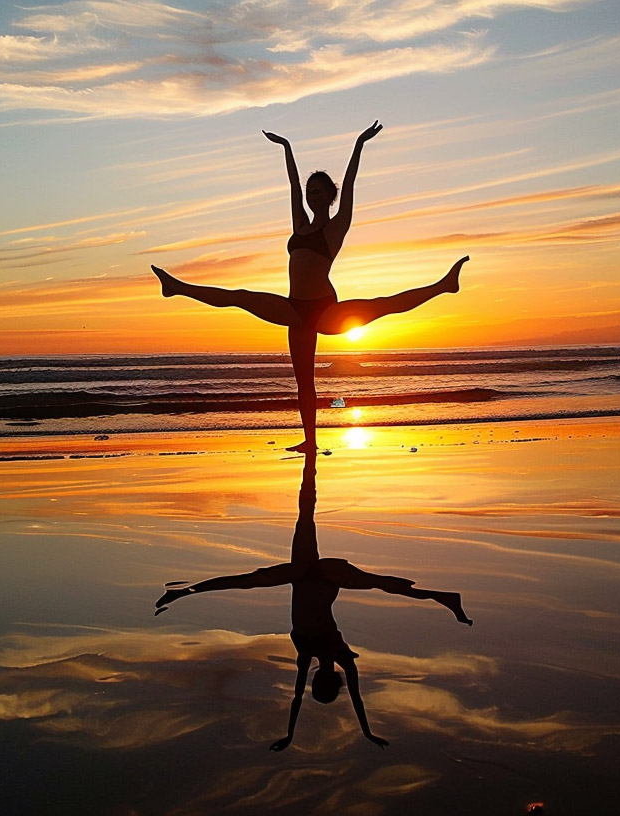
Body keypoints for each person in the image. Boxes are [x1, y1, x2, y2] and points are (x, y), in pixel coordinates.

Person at [150, 121, 469, 452]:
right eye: (310, 191)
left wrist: (359, 143)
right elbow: (291, 185)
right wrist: (286, 148)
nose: (312, 195)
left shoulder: (335, 228)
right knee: (246, 305)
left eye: (319, 191)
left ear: (330, 196)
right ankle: (310, 442)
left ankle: (444, 285)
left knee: (381, 304)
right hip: (294, 309)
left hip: (324, 309)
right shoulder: (299, 225)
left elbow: (351, 182)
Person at [154, 451, 472, 750]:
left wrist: (291, 734)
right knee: (374, 580)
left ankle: (184, 591)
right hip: (323, 577)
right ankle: (443, 597)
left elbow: (297, 699)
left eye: (315, 683)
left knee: (264, 566)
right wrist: (366, 731)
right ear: (329, 681)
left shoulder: (311, 657)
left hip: (306, 574)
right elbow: (355, 701)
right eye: (321, 683)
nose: (315, 679)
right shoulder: (334, 657)